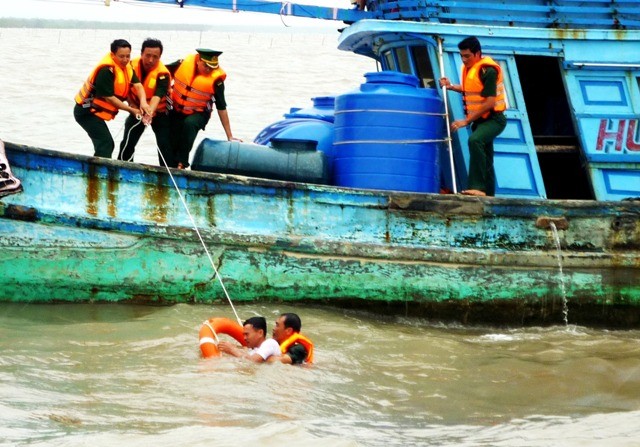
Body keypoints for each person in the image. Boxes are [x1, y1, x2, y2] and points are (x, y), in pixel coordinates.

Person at [439, 36, 507, 197]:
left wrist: (466, 121)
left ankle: (478, 187)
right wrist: (450, 86)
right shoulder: (470, 69)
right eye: (462, 56)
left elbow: (490, 102)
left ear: (478, 54)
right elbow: (470, 89)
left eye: (467, 56)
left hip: (494, 119)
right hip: (480, 121)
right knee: (487, 159)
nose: (464, 59)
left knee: (475, 140)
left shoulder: (487, 70)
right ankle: (489, 196)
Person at [74, 39, 150, 158]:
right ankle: (98, 173)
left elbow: (138, 85)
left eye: (128, 56)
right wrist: (131, 110)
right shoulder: (106, 70)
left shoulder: (127, 67)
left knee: (107, 143)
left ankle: (98, 170)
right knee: (106, 143)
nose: (125, 60)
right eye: (121, 56)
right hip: (86, 112)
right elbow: (109, 98)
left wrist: (143, 103)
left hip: (96, 112)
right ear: (113, 55)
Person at [166, 48, 239, 169]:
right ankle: (169, 167)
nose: (208, 70)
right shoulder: (181, 64)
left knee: (189, 124)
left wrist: (229, 136)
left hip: (199, 113)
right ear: (199, 60)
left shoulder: (217, 81)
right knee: (170, 138)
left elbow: (222, 108)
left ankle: (182, 162)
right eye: (206, 66)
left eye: (212, 67)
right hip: (176, 109)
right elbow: (161, 73)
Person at [117, 38, 172, 166]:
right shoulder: (130, 66)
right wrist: (133, 106)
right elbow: (126, 91)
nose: (151, 60)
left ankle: (168, 173)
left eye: (155, 57)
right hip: (137, 109)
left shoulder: (163, 74)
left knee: (164, 144)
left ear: (160, 57)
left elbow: (157, 96)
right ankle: (123, 166)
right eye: (147, 55)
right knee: (128, 141)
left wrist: (149, 112)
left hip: (160, 111)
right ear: (141, 53)